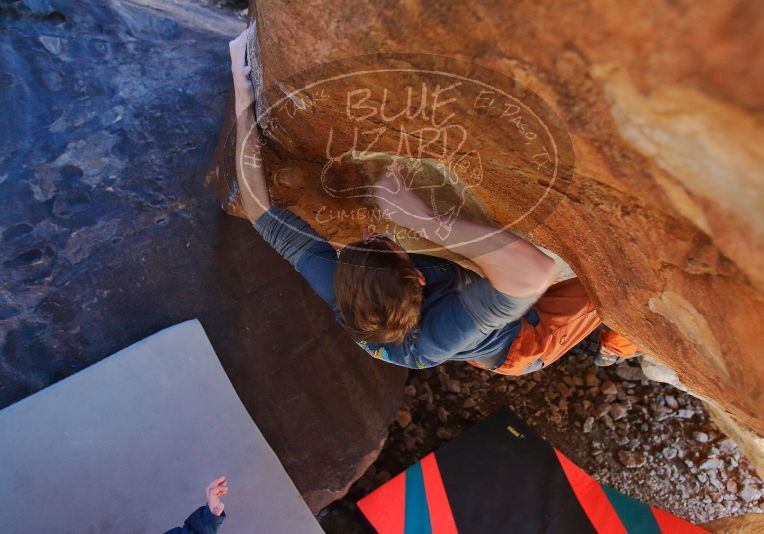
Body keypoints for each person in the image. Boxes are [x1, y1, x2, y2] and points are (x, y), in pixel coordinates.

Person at [227, 30, 636, 376]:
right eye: (383, 241)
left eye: (363, 242)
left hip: (470, 305)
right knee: (618, 284)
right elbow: (533, 274)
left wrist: (243, 99)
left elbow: (261, 212)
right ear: (419, 279)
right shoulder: (438, 335)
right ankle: (618, 347)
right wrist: (420, 219)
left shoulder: (339, 286)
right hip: (525, 340)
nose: (372, 231)